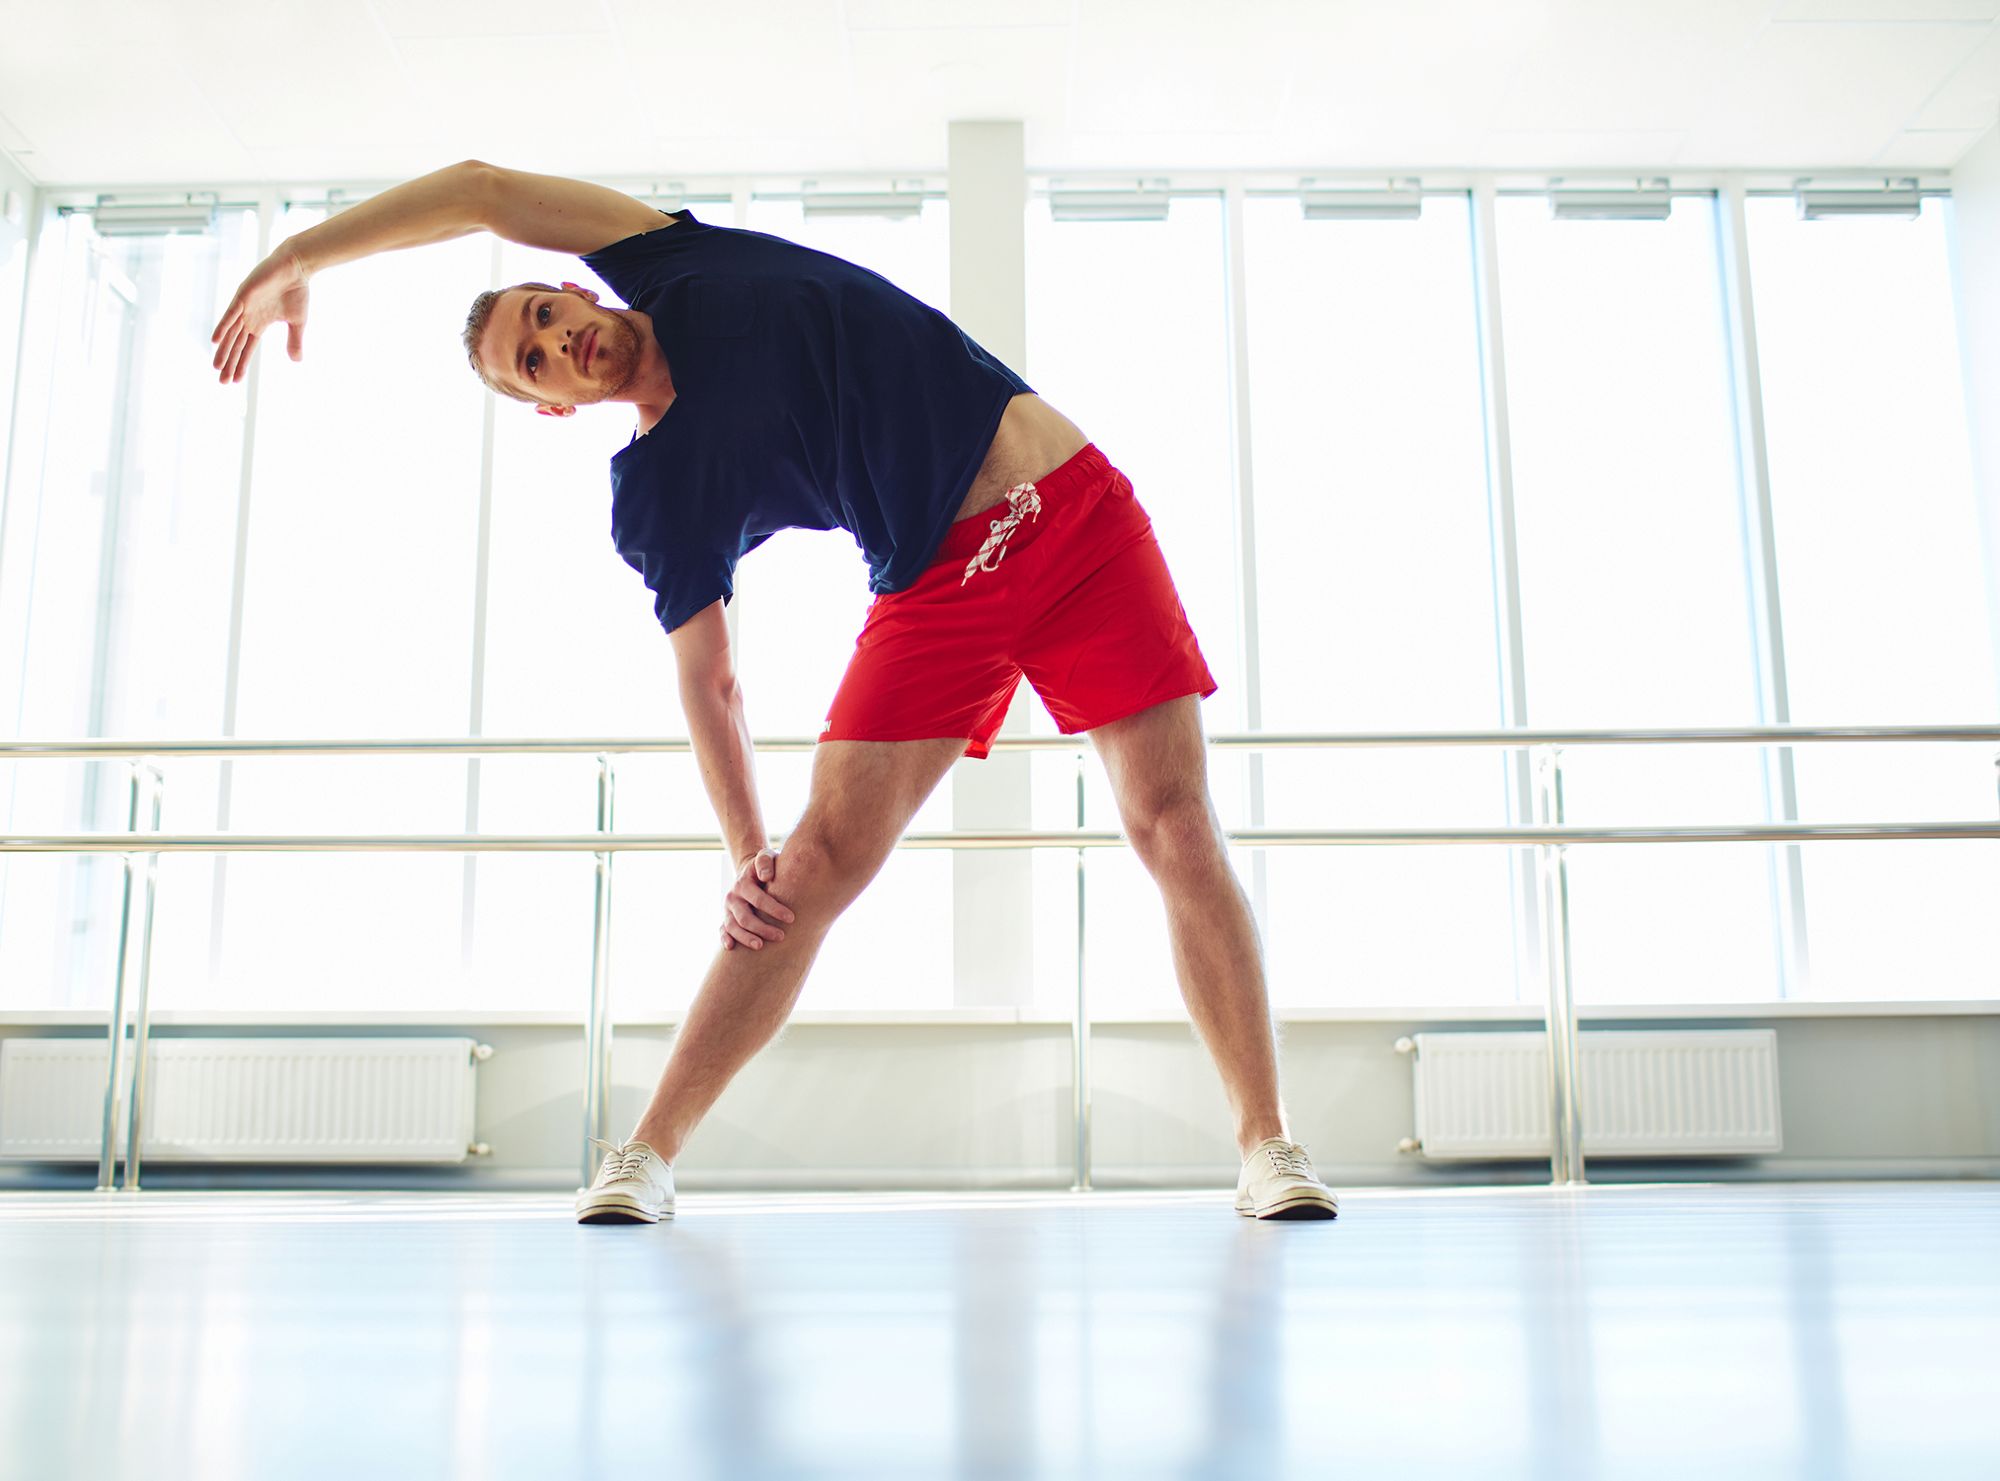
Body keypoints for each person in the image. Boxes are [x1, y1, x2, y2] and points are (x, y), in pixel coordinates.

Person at [208, 159, 1338, 1225]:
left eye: (544, 316)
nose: (559, 341)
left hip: (1072, 517)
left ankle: (1264, 1142)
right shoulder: (657, 493)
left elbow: (479, 189)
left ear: (567, 284)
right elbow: (711, 679)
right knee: (800, 878)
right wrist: (741, 844)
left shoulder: (661, 257)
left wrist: (300, 252)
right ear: (549, 407)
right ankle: (641, 1156)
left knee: (1174, 823)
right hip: (936, 586)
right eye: (534, 362)